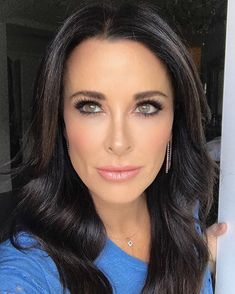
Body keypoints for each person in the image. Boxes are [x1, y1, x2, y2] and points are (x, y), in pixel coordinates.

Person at [0, 1, 226, 293]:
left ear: (174, 123)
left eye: (146, 107)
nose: (118, 143)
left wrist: (198, 259)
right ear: (61, 123)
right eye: (90, 107)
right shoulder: (31, 270)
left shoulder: (183, 212)